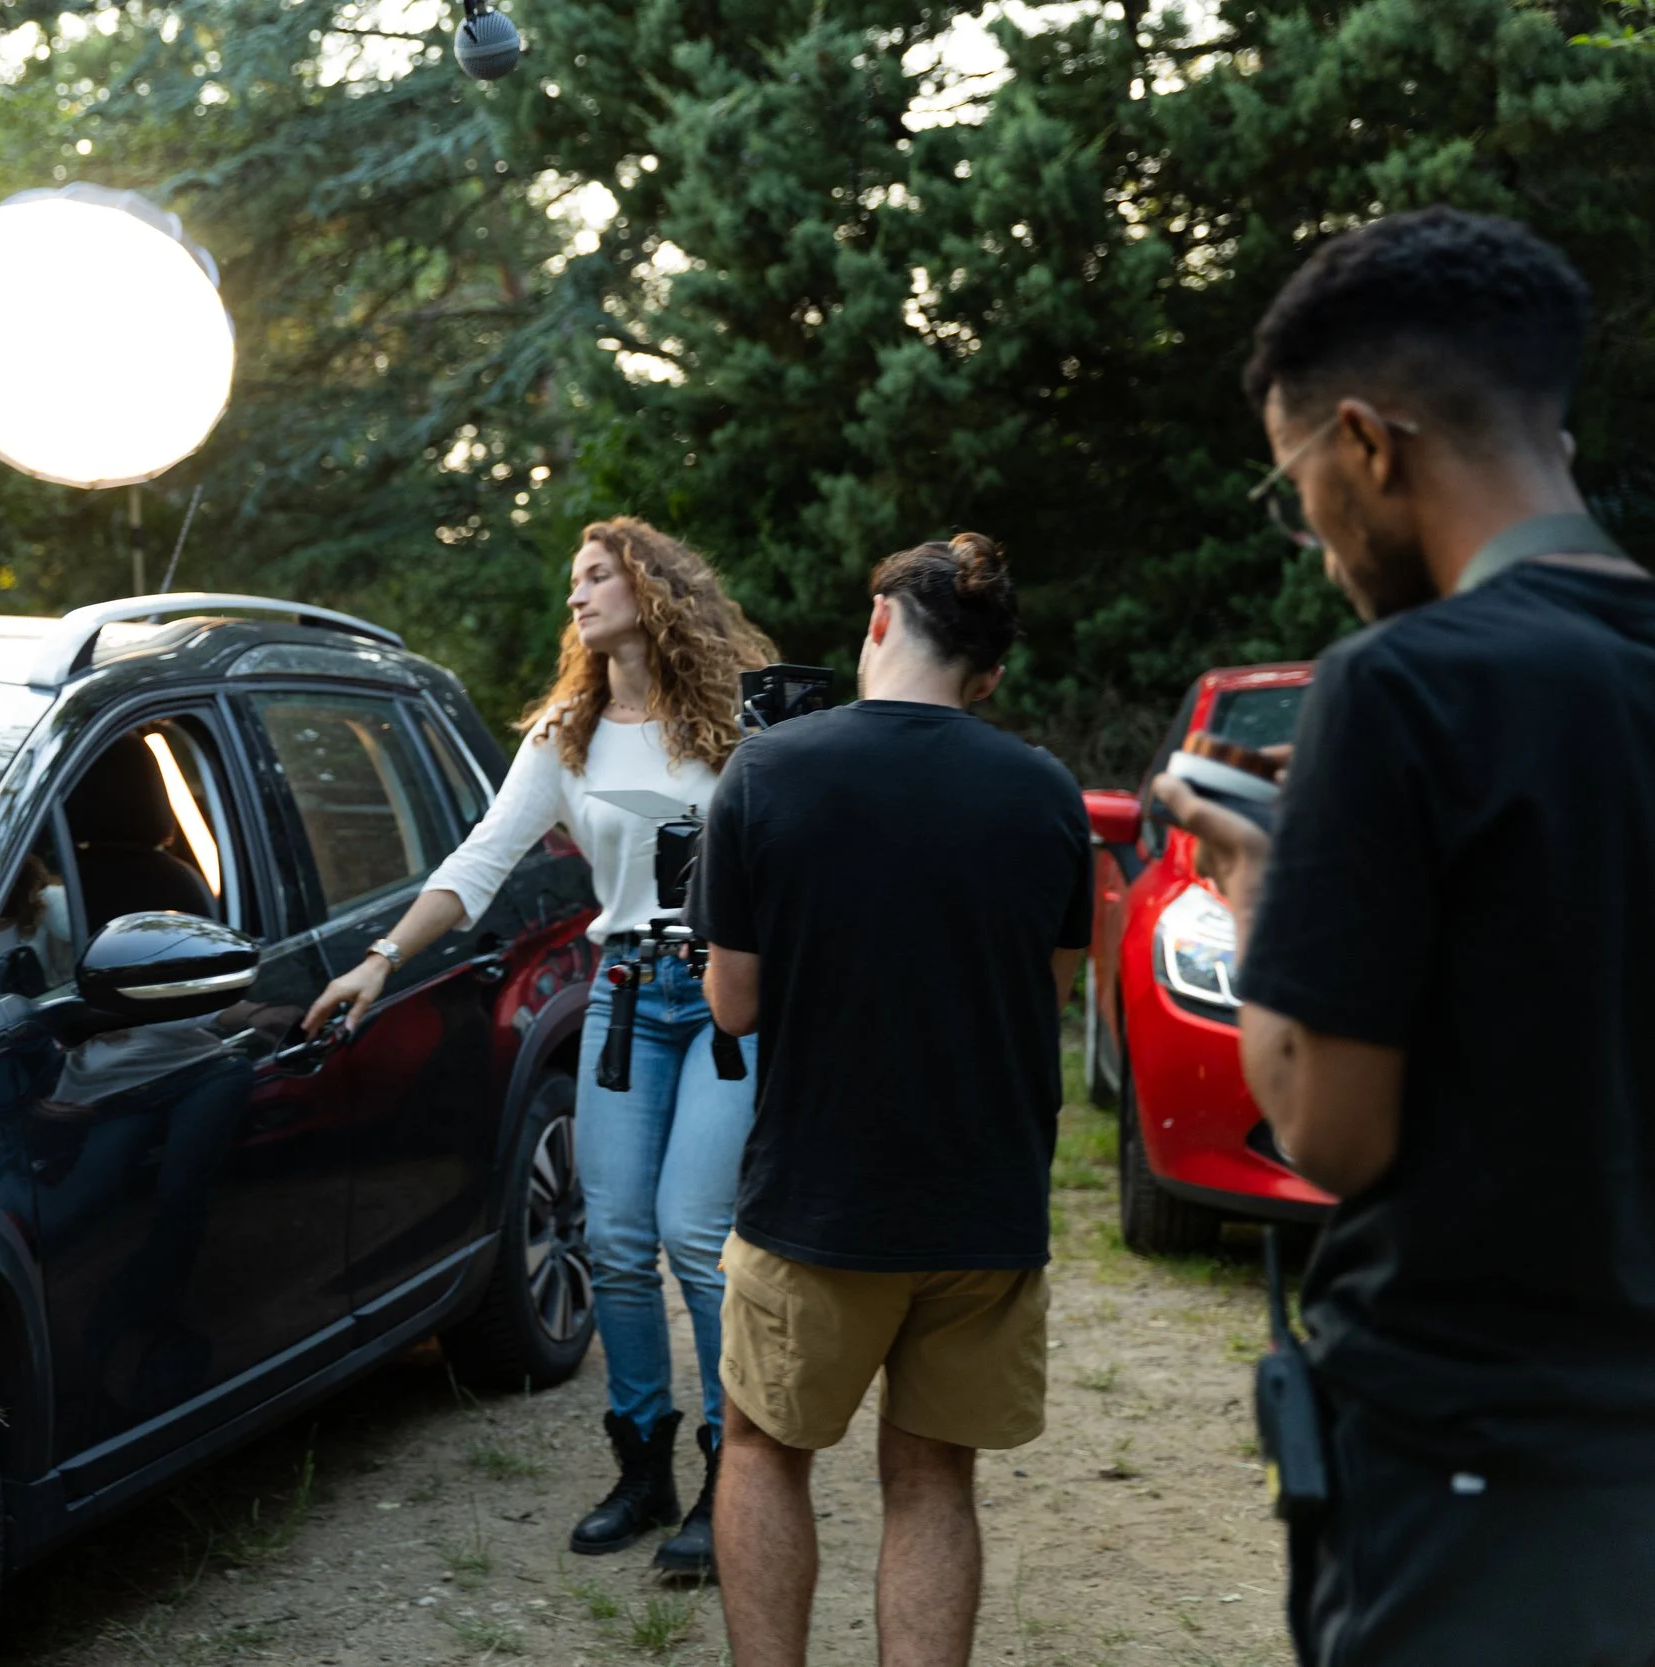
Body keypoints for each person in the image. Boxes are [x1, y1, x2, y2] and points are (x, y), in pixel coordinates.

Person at [1155, 207, 1655, 1667]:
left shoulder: (1403, 685)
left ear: (1367, 442)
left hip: (1476, 1472)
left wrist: (1264, 884)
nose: (1314, 544)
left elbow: (1332, 1127)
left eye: (1296, 481)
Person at [303, 517, 775, 1574]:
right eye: (573, 580)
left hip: (723, 1005)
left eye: (597, 575)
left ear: (651, 587)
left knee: (692, 1233)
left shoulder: (741, 725)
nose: (578, 595)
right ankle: (641, 1462)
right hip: (623, 995)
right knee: (611, 1239)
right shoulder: (567, 731)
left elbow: (802, 856)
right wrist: (380, 957)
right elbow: (477, 863)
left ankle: (731, 1477)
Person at [689, 534, 1089, 1667]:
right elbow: (1044, 990)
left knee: (764, 1448)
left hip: (817, 1199)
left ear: (876, 623)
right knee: (932, 1478)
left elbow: (734, 1006)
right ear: (991, 674)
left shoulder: (768, 772)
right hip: (982, 1202)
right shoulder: (1045, 789)